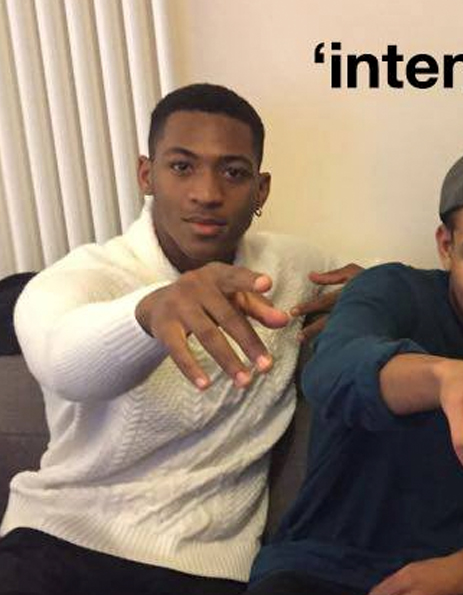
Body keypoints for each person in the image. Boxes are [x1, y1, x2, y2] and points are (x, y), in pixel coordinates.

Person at [0, 83, 358, 595]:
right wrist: (148, 313)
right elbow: (61, 361)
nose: (207, 193)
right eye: (182, 166)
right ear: (147, 174)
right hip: (57, 541)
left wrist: (370, 295)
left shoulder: (289, 267)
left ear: (261, 190)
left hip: (208, 567)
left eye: (233, 172)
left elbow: (374, 283)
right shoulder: (85, 276)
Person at [246, 143, 463, 595]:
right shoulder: (392, 290)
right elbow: (332, 371)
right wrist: (446, 377)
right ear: (446, 247)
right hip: (316, 572)